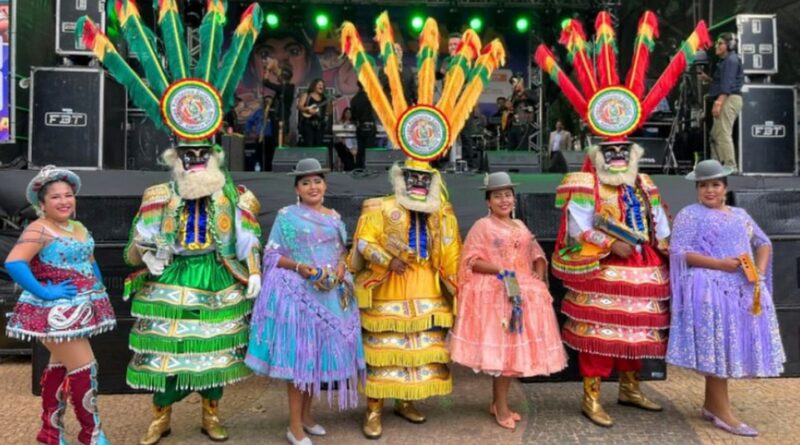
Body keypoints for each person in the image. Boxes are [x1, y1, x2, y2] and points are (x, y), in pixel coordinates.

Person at [78, 5, 266, 444]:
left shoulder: (232, 194)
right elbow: (133, 247)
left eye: (202, 154)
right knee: (167, 351)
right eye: (188, 155)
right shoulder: (158, 197)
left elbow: (246, 236)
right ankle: (160, 416)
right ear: (175, 156)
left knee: (216, 352)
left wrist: (253, 270)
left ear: (214, 154)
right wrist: (148, 253)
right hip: (171, 276)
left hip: (218, 275)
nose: (195, 161)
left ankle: (211, 413)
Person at [534, 10, 709, 428]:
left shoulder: (643, 181)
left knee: (641, 332)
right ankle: (591, 396)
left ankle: (630, 386)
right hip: (604, 264)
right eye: (608, 151)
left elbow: (659, 222)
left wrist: (669, 248)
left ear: (631, 152)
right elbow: (578, 227)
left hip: (644, 264)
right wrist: (611, 243)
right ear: (597, 152)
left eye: (622, 151)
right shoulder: (583, 182)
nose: (616, 156)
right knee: (601, 332)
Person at [246, 158, 365, 445]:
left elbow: (341, 253)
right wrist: (302, 268)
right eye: (306, 182)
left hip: (331, 296)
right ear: (297, 189)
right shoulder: (287, 216)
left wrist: (339, 269)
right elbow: (272, 255)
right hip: (300, 298)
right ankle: (294, 426)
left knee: (316, 361)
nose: (313, 187)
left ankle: (308, 417)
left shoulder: (334, 217)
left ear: (325, 184)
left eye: (317, 181)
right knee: (301, 362)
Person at [667, 159, 785, 437]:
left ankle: (712, 404)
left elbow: (763, 242)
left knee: (730, 345)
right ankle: (722, 411)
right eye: (704, 185)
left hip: (741, 290)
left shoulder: (740, 214)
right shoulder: (690, 215)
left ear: (725, 188)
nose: (710, 190)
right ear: (697, 189)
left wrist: (760, 273)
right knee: (720, 346)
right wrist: (719, 264)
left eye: (715, 185)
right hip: (708, 289)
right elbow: (678, 252)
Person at [348, 159, 461, 439]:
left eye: (424, 178)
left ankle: (405, 400)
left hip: (426, 285)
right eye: (412, 177)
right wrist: (387, 261)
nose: (419, 183)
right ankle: (373, 409)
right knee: (383, 349)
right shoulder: (381, 207)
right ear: (400, 178)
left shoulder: (441, 211)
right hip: (389, 284)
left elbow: (451, 249)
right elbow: (363, 241)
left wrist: (458, 285)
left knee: (417, 348)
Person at [5, 166, 116, 445]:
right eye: (55, 197)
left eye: (68, 195)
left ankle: (50, 434)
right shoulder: (39, 228)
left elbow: (89, 262)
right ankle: (92, 435)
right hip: (54, 314)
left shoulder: (77, 227)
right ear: (42, 203)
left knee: (60, 366)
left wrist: (99, 290)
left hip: (83, 307)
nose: (64, 201)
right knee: (85, 367)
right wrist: (44, 291)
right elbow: (14, 262)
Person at [449, 172, 567, 430]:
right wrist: (501, 272)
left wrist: (539, 269)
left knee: (512, 355)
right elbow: (471, 261)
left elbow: (535, 250)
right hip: (498, 296)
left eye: (507, 195)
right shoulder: (483, 226)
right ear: (488, 201)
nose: (504, 200)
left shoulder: (520, 226)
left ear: (514, 199)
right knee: (504, 356)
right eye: (497, 196)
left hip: (522, 294)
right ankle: (500, 407)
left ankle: (497, 403)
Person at [699, 33, 744, 171]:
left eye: (720, 43)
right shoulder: (726, 61)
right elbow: (724, 82)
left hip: (728, 99)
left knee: (723, 133)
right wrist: (709, 79)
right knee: (714, 135)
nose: (717, 46)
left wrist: (719, 102)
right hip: (725, 98)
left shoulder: (731, 60)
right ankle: (716, 166)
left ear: (729, 46)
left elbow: (728, 85)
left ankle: (730, 166)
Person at [262, 58, 296, 149]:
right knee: (275, 142)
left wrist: (268, 70)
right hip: (278, 118)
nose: (277, 77)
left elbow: (265, 82)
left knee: (279, 142)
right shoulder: (285, 88)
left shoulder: (287, 88)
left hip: (282, 119)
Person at [348, 82, 376, 170]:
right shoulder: (371, 97)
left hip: (360, 127)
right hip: (370, 127)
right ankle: (369, 168)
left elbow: (353, 117)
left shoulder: (354, 99)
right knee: (369, 150)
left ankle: (359, 169)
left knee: (360, 150)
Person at [245, 95, 274, 171]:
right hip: (260, 137)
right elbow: (249, 122)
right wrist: (250, 132)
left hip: (271, 138)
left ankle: (269, 170)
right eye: (266, 101)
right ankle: (261, 169)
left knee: (270, 156)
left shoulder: (274, 112)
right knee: (259, 155)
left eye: (269, 101)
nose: (267, 103)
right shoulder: (258, 112)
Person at [297, 78, 329, 147]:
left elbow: (328, 112)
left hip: (320, 126)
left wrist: (332, 105)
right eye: (319, 84)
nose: (321, 86)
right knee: (309, 144)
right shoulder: (307, 95)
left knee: (319, 145)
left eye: (323, 85)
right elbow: (299, 106)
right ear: (314, 85)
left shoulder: (325, 99)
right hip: (307, 124)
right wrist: (308, 110)